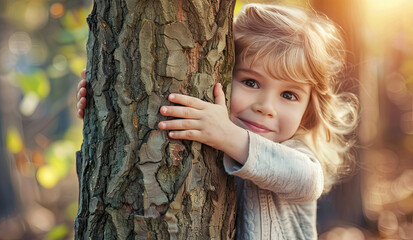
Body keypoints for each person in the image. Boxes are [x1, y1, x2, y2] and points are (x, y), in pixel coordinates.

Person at [76, 3, 358, 239]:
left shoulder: (295, 153)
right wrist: (104, 104)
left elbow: (308, 180)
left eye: (289, 94)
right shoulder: (215, 139)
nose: (266, 107)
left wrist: (226, 135)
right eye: (251, 82)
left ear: (308, 110)